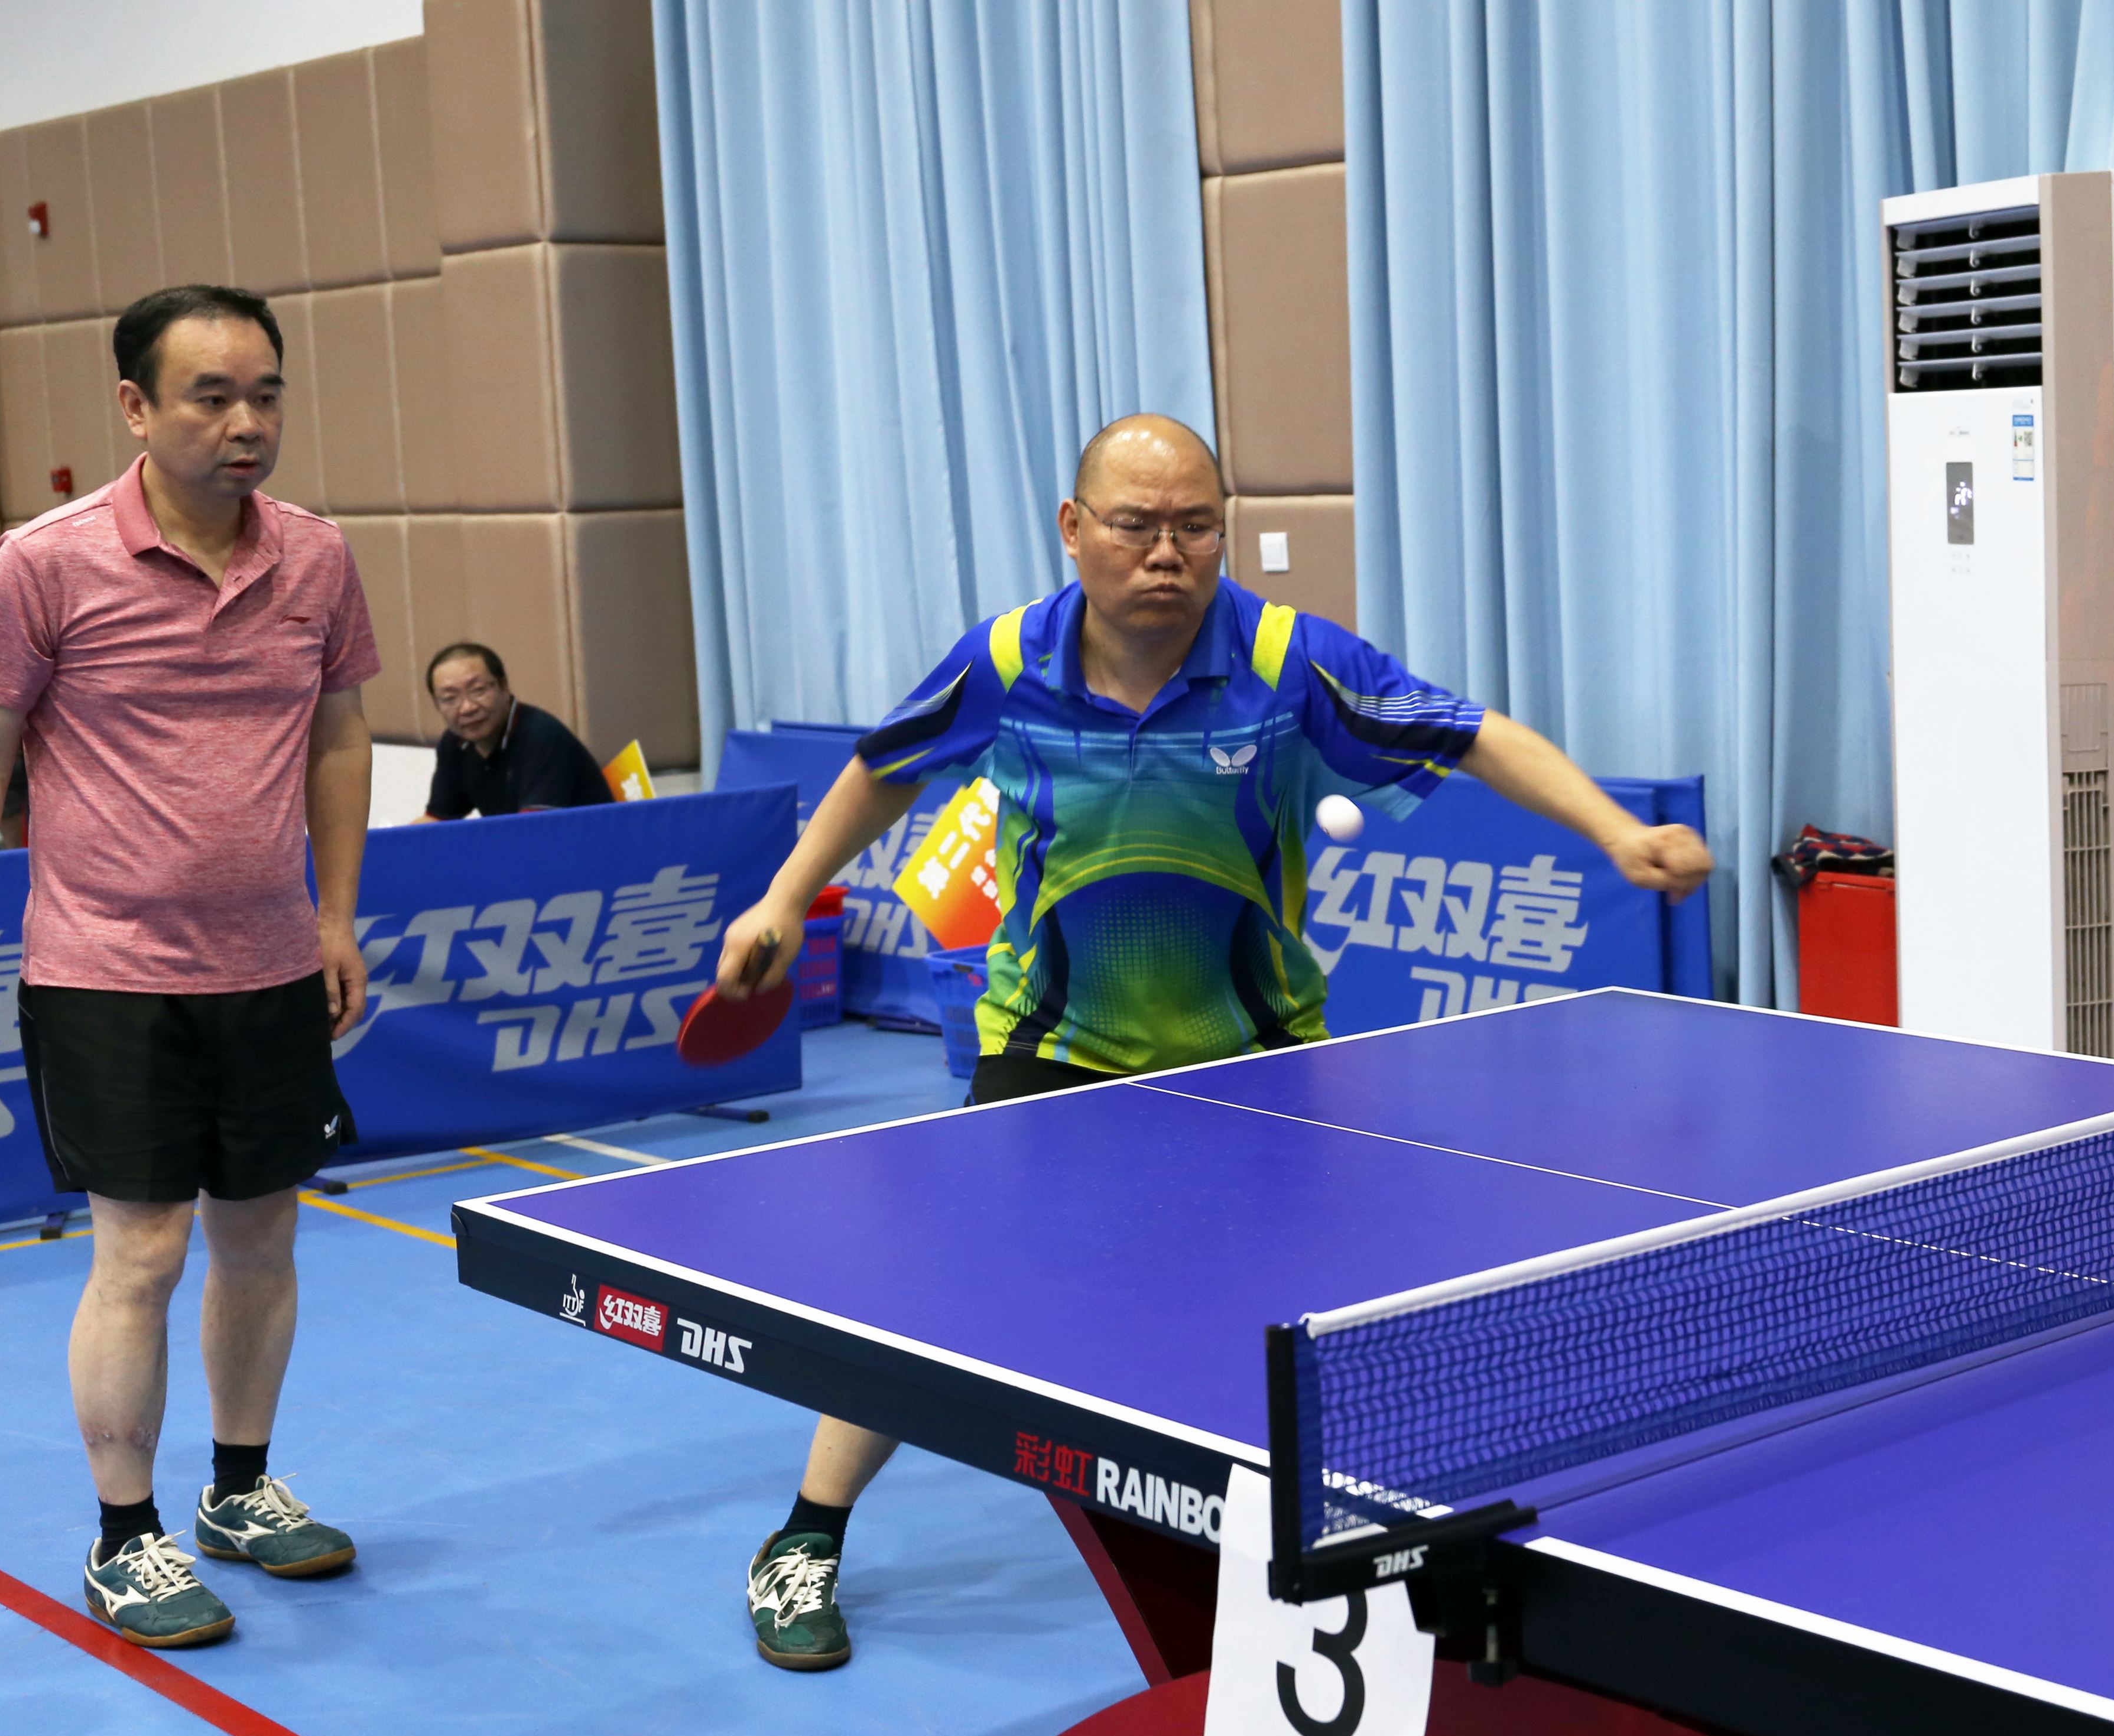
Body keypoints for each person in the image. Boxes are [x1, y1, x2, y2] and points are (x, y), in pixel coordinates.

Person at [712, 412, 1714, 1670]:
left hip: (1255, 1051)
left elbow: (1470, 733)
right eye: (1136, 524)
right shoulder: (1008, 660)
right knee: (938, 1292)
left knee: (1315, 1313)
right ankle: (804, 1535)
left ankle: (1366, 1546)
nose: (1167, 552)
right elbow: (886, 767)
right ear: (1073, 528)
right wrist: (783, 896)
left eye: (1194, 524)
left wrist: (1616, 831)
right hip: (1054, 1040)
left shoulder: (1287, 659)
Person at [0, 284, 378, 1647]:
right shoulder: (45, 564)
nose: (246, 423)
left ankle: (239, 1487)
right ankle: (125, 1535)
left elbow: (340, 736)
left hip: (269, 963)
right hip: (107, 970)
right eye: (211, 397)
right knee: (143, 1250)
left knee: (262, 1237)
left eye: (265, 395)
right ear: (135, 407)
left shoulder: (316, 558)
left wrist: (336, 916)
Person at [417, 641, 612, 820]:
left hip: (589, 843)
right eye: (450, 699)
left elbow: (533, 829)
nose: (467, 708)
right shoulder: (455, 743)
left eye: (478, 690)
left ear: (504, 687)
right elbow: (436, 821)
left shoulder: (542, 736)